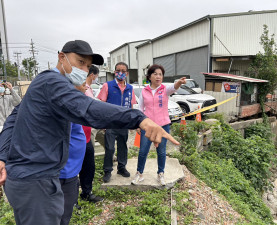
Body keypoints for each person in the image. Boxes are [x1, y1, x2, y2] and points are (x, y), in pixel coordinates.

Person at [0, 40, 179, 225]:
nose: (84, 70)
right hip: (36, 181)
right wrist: (139, 119)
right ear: (62, 57)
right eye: (80, 62)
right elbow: (88, 108)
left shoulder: (44, 82)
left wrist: (2, 155)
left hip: (35, 177)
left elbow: (13, 118)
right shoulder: (52, 82)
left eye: (87, 66)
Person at [131, 64, 186, 186]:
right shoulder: (144, 91)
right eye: (155, 74)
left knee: (161, 152)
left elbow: (174, 87)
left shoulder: (164, 89)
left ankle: (160, 173)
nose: (158, 76)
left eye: (160, 74)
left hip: (163, 125)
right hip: (148, 126)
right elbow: (140, 109)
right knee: (143, 151)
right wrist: (139, 125)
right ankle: (139, 173)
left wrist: (179, 82)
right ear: (149, 76)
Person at [97, 62, 137, 183]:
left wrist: (131, 122)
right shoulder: (107, 86)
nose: (120, 73)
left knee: (123, 147)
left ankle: (121, 168)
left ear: (127, 73)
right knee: (109, 148)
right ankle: (107, 171)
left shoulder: (130, 88)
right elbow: (101, 105)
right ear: (114, 72)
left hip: (123, 123)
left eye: (123, 71)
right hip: (110, 123)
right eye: (118, 70)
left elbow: (131, 106)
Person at [59, 82, 87, 225]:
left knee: (66, 213)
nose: (87, 86)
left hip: (70, 172)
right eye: (84, 83)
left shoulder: (73, 103)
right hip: (61, 173)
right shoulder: (64, 105)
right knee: (60, 215)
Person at [80, 65, 103, 202]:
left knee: (89, 166)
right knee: (70, 171)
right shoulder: (71, 95)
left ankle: (86, 193)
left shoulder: (87, 91)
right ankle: (70, 202)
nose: (86, 86)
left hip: (86, 136)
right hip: (73, 139)